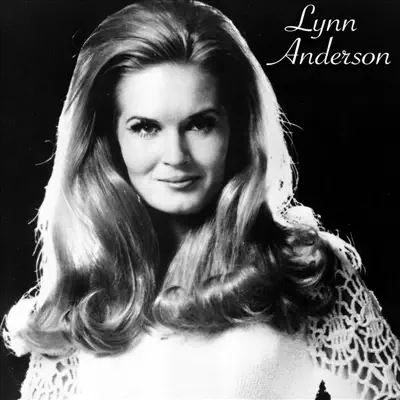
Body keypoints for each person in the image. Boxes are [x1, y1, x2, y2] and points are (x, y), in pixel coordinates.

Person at [4, 0, 399, 399]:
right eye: (145, 128)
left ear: (237, 129)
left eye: (200, 124)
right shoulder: (78, 303)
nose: (176, 156)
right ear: (109, 141)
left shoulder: (302, 272)